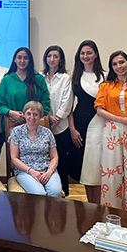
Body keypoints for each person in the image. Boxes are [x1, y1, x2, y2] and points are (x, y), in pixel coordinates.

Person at [95, 51, 127, 213]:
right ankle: (111, 213)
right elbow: (99, 110)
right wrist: (120, 119)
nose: (119, 66)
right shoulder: (106, 86)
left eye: (121, 62)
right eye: (115, 64)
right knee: (111, 174)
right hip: (112, 130)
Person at [69, 40, 106, 204]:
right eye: (82, 53)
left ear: (96, 54)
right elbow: (69, 107)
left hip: (100, 125)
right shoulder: (75, 77)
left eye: (89, 53)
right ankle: (91, 204)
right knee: (85, 167)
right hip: (80, 126)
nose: (86, 56)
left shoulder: (105, 76)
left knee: (97, 165)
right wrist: (72, 129)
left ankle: (99, 205)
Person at [8, 101, 62, 197]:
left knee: (55, 192)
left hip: (47, 170)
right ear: (24, 115)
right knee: (39, 194)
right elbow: (14, 158)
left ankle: (51, 209)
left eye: (35, 114)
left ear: (40, 116)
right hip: (25, 171)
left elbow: (55, 157)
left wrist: (50, 171)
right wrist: (31, 171)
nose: (32, 117)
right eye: (29, 114)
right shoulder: (17, 132)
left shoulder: (47, 132)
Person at [42, 45, 74, 196]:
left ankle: (63, 194)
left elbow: (67, 100)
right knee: (44, 159)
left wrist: (58, 118)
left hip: (61, 126)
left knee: (61, 160)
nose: (52, 59)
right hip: (43, 124)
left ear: (60, 60)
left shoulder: (65, 78)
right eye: (49, 56)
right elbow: (38, 99)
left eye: (55, 56)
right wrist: (47, 117)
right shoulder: (40, 76)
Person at [0, 47, 51, 132]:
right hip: (11, 125)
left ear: (30, 61)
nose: (22, 61)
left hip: (34, 126)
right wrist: (10, 113)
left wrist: (30, 116)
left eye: (26, 58)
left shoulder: (38, 79)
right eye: (19, 57)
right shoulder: (7, 79)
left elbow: (45, 104)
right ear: (15, 59)